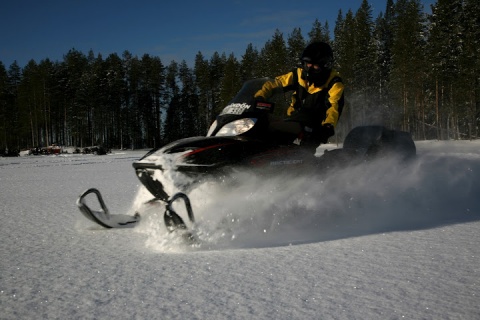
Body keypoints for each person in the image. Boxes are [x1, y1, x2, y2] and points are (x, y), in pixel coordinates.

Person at [254, 41, 345, 153]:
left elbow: (334, 107)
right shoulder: (298, 74)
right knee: (260, 124)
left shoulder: (334, 83)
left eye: (315, 66)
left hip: (315, 126)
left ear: (325, 65)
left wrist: (327, 126)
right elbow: (275, 83)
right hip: (293, 118)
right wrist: (259, 96)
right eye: (308, 64)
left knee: (275, 130)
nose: (310, 69)